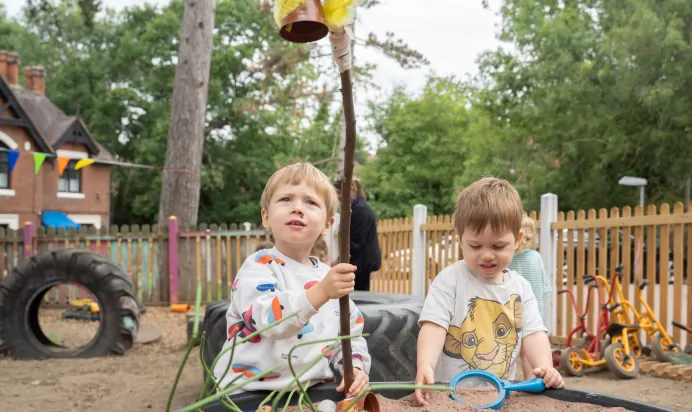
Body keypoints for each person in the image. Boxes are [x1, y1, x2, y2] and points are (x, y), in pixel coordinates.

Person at [213, 163, 371, 398]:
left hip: (310, 391)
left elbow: (348, 332)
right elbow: (269, 322)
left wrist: (355, 366)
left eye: (310, 202)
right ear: (266, 217)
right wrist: (322, 293)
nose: (297, 208)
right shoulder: (258, 268)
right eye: (286, 199)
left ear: (327, 225)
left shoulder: (327, 277)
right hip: (246, 392)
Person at [414, 177, 564, 406]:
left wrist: (545, 367)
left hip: (499, 394)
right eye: (475, 246)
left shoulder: (521, 288)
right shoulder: (450, 280)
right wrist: (425, 364)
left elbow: (534, 334)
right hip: (450, 394)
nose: (486, 254)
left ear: (517, 240)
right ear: (461, 240)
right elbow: (434, 325)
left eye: (498, 246)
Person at [508, 212, 553, 382]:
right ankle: (530, 384)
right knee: (529, 357)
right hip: (533, 318)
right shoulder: (536, 258)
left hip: (510, 315)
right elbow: (544, 288)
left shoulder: (507, 259)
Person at [332, 177, 381, 291]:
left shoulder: (359, 210)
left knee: (358, 295)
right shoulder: (358, 207)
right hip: (361, 261)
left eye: (339, 192)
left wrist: (340, 260)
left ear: (350, 190)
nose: (338, 197)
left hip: (361, 262)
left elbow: (355, 241)